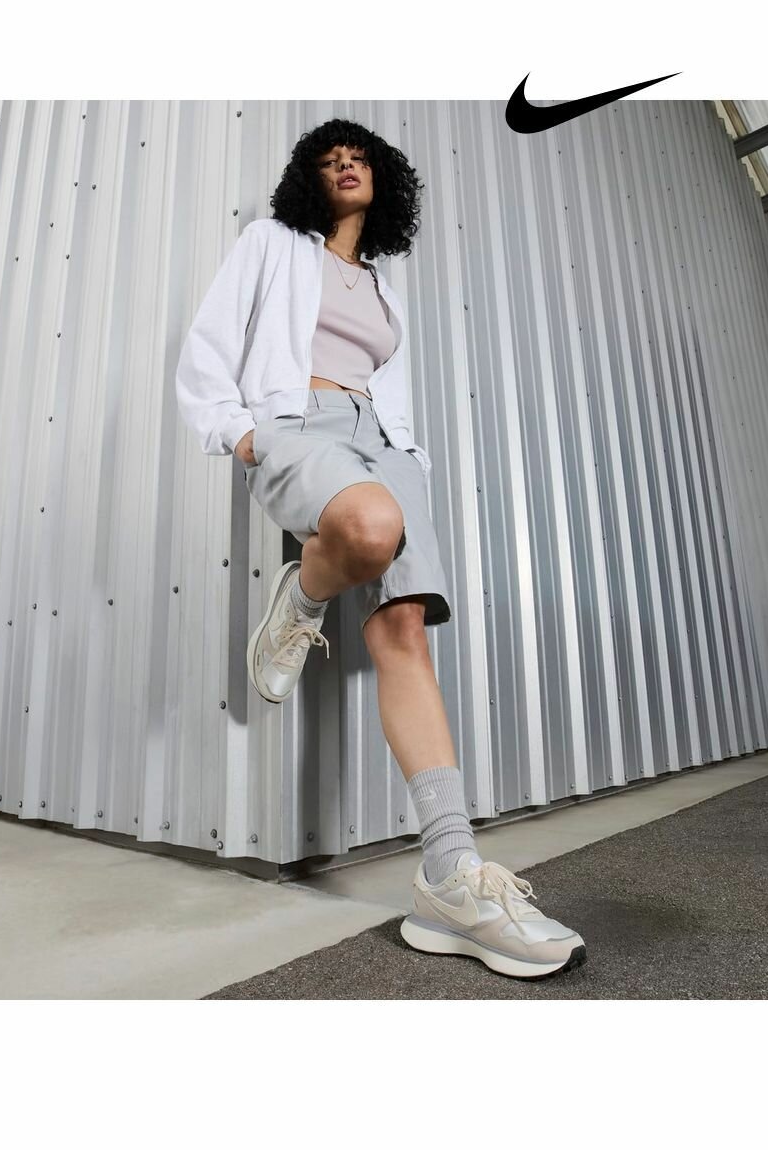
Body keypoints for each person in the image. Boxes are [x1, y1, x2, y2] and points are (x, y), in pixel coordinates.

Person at [176, 118, 585, 979]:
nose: (346, 166)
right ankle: (305, 596)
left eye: (358, 157)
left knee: (404, 632)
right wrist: (238, 432)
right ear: (310, 178)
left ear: (382, 178)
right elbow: (209, 345)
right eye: (330, 160)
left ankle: (451, 877)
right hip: (299, 422)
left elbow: (387, 387)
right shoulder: (272, 244)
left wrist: (414, 461)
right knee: (367, 529)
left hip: (386, 445)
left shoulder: (383, 287)